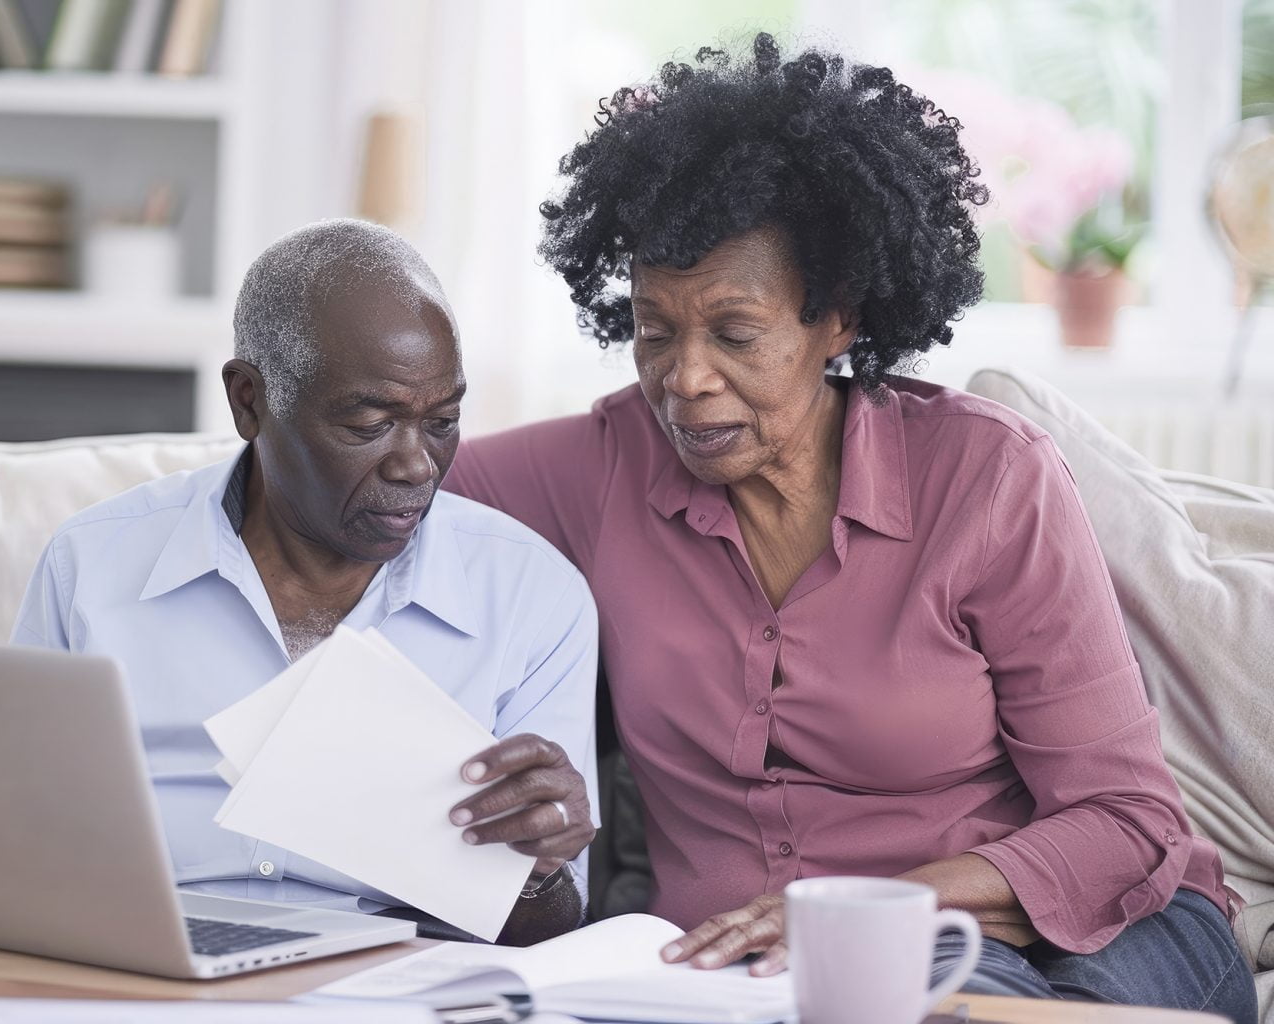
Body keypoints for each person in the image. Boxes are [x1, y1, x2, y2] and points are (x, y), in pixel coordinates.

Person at [444, 34, 1256, 1017]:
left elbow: (1126, 820)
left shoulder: (988, 479)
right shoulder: (597, 465)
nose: (685, 377)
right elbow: (371, 478)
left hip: (1085, 936)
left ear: (840, 319)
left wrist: (861, 911)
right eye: (653, 330)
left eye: (734, 333)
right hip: (744, 974)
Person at [13, 219, 598, 945]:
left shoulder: (532, 596)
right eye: (370, 424)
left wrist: (539, 872)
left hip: (394, 982)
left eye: (442, 421)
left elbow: (545, 926)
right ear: (249, 401)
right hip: (141, 959)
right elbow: (15, 843)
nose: (415, 465)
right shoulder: (91, 566)